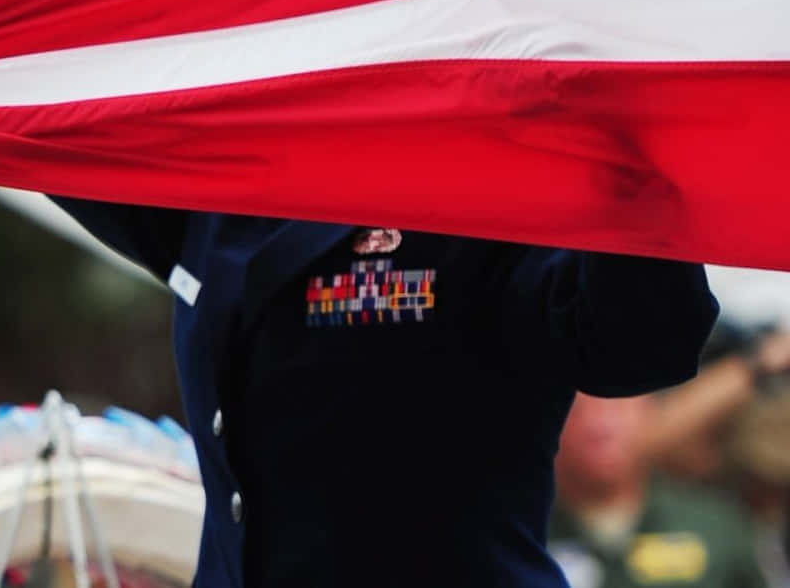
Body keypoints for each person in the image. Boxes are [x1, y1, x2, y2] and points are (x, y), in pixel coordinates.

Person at [55, 202, 719, 587]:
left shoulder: (487, 187)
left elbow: (642, 344)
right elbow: (43, 107)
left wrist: (623, 145)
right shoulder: (223, 173)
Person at [550, 390, 767, 588]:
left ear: (649, 413)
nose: (599, 426)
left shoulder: (716, 524)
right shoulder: (525, 532)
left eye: (617, 408)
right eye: (577, 410)